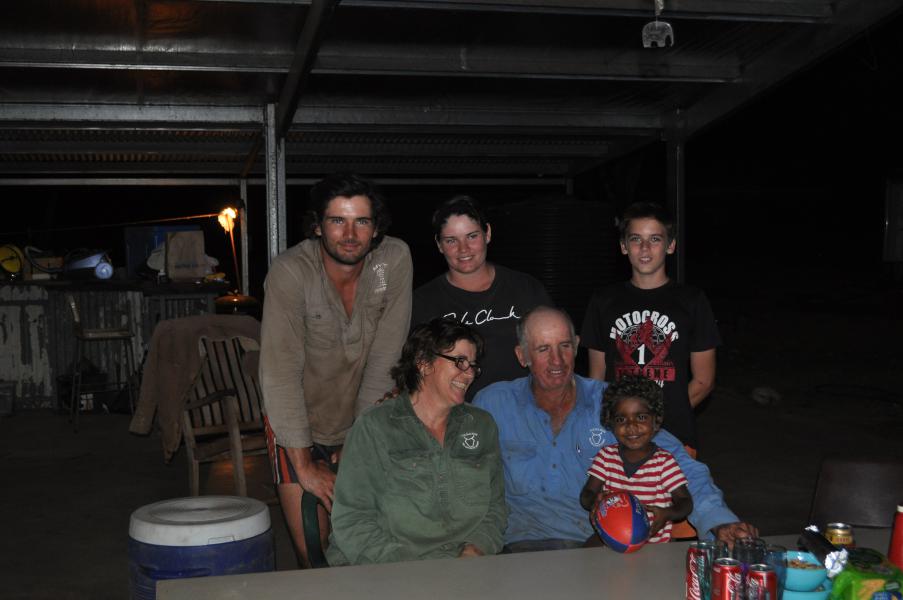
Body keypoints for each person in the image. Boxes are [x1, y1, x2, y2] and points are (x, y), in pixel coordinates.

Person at [473, 306, 756, 552]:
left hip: (601, 546)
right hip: (523, 547)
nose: (557, 361)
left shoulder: (615, 405)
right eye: (543, 349)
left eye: (565, 346)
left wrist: (719, 521)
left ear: (577, 344)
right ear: (522, 355)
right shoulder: (493, 403)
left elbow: (680, 464)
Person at [258, 172, 413, 567]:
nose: (349, 233)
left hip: (363, 416)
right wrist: (305, 463)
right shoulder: (291, 272)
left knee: (367, 543)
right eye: (337, 220)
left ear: (376, 228)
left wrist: (357, 444)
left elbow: (385, 361)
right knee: (315, 552)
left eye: (362, 221)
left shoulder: (391, 262)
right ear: (317, 225)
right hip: (296, 420)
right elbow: (279, 373)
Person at [326, 318, 507, 565]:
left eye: (473, 366)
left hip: (462, 566)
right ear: (423, 363)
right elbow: (353, 519)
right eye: (459, 362)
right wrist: (409, 571)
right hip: (386, 566)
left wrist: (475, 551)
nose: (468, 374)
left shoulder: (481, 425)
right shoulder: (376, 426)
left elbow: (496, 509)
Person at [580, 201, 720, 451]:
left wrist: (656, 420)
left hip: (674, 434)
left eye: (655, 239)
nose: (644, 248)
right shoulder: (603, 301)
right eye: (635, 239)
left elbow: (704, 380)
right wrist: (623, 421)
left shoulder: (692, 301)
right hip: (617, 433)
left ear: (671, 245)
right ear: (624, 246)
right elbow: (597, 378)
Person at [412, 195, 552, 401]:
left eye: (472, 236)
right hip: (455, 421)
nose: (463, 249)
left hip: (524, 416)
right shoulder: (423, 302)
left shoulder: (525, 288)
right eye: (451, 240)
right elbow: (416, 373)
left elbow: (553, 354)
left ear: (487, 233)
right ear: (439, 244)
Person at [579, 375, 692, 544]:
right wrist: (595, 501)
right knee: (589, 547)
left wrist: (667, 513)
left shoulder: (664, 463)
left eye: (640, 417)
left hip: (653, 545)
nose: (631, 426)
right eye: (621, 419)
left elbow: (685, 502)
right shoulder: (606, 457)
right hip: (612, 539)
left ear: (656, 421)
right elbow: (586, 494)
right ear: (610, 424)